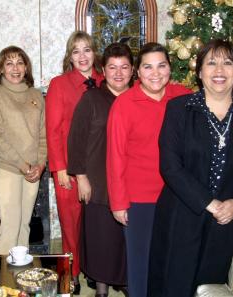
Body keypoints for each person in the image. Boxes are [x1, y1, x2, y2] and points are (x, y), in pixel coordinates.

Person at [148, 39, 233, 297]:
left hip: (228, 221)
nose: (219, 70)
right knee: (173, 285)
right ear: (199, 72)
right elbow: (170, 165)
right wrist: (209, 203)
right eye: (211, 63)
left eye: (227, 63)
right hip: (182, 216)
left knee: (213, 286)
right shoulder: (179, 109)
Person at [106, 42, 192, 297]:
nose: (156, 73)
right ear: (138, 73)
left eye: (161, 65)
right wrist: (119, 202)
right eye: (148, 67)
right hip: (139, 199)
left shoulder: (183, 96)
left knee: (173, 262)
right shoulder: (125, 104)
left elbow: (217, 101)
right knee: (141, 264)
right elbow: (115, 156)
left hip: (178, 197)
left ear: (170, 68)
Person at [67, 43, 132, 297]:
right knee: (101, 239)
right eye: (112, 67)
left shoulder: (139, 96)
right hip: (98, 182)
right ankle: (101, 289)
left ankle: (126, 281)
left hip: (130, 181)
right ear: (102, 70)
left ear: (132, 70)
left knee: (125, 240)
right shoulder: (92, 98)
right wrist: (81, 178)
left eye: (124, 67)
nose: (118, 73)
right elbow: (76, 140)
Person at [46, 31, 104, 293]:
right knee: (71, 225)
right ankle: (72, 271)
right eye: (76, 51)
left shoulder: (106, 81)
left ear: (95, 53)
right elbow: (53, 129)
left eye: (87, 50)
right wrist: (58, 167)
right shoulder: (59, 84)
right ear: (69, 57)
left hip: (101, 169)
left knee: (96, 224)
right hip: (69, 169)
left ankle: (95, 269)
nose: (82, 56)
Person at [0, 46, 46, 255]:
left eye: (20, 62)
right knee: (10, 228)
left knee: (24, 226)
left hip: (33, 171)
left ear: (26, 67)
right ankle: (2, 283)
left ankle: (20, 276)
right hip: (8, 169)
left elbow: (43, 134)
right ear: (1, 69)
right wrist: (23, 165)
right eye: (9, 63)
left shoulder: (35, 95)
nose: (15, 68)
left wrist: (41, 164)